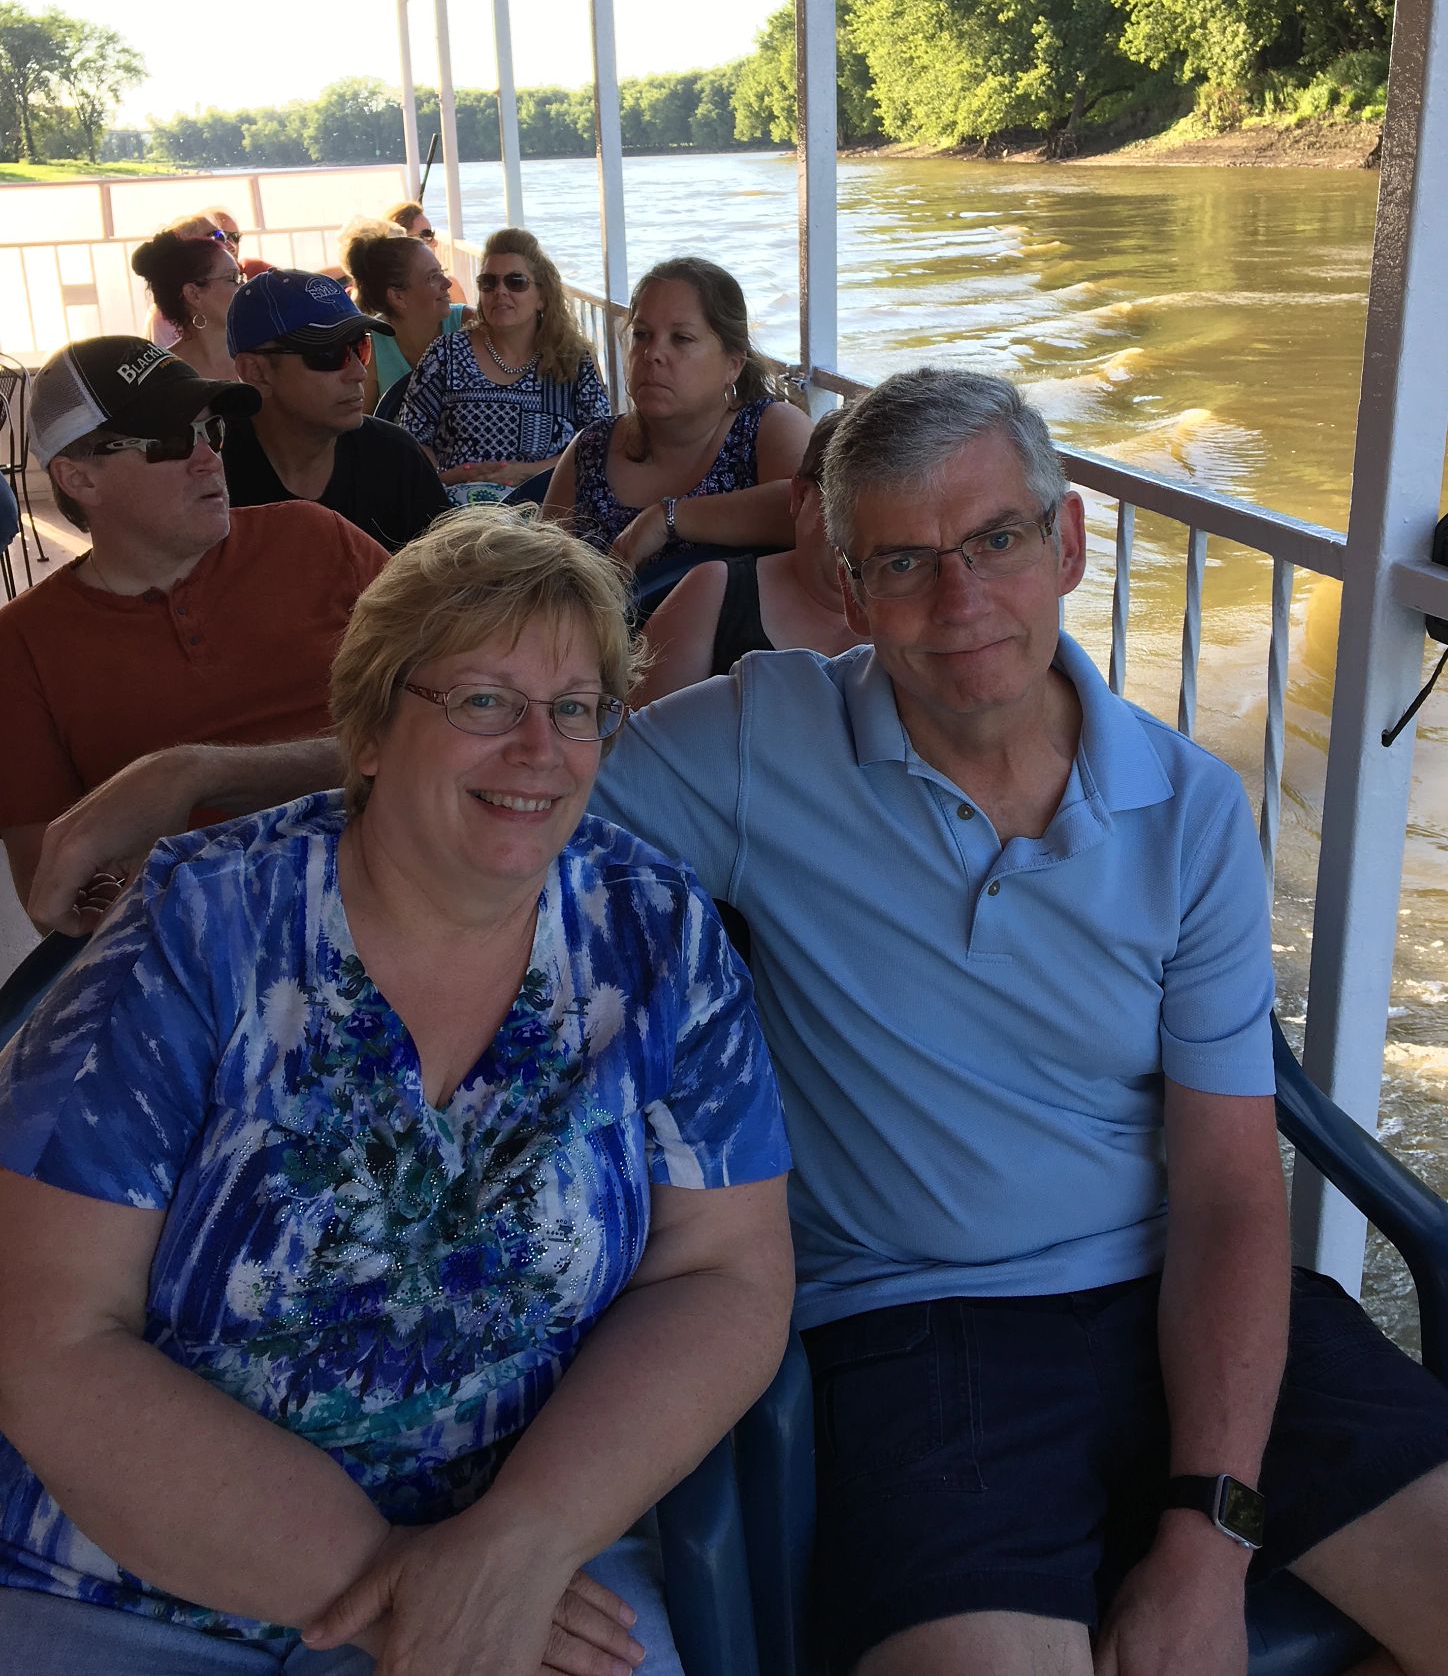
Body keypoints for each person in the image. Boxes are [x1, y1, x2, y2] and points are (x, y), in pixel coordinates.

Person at [55, 369, 1448, 1676]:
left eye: (998, 541)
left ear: (1070, 543)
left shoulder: (1193, 807)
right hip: (923, 1333)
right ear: (845, 587)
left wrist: (1207, 1532)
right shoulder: (753, 745)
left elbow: (1225, 1186)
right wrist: (194, 775)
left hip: (1193, 1306)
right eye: (902, 559)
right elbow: (491, 755)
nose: (959, 597)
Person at [0, 510, 794, 1676]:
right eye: (482, 700)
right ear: (368, 727)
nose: (540, 747)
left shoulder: (652, 933)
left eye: (576, 707)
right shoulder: (199, 926)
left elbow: (725, 1272)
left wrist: (513, 1547)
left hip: (531, 1563)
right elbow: (48, 1333)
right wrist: (405, 1589)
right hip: (128, 1579)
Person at [0, 335, 385, 913]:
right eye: (172, 441)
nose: (208, 457)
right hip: (215, 939)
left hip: (400, 878)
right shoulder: (22, 646)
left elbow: (456, 723)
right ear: (80, 479)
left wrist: (198, 775)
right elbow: (53, 896)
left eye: (212, 432)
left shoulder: (316, 538)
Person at [542, 256, 809, 569]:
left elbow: (818, 514)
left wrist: (669, 518)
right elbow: (541, 574)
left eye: (681, 338)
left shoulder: (767, 428)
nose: (652, 354)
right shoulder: (591, 448)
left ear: (733, 364)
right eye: (641, 334)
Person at [635, 408, 865, 705]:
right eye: (846, 505)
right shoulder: (711, 595)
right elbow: (638, 741)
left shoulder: (928, 610)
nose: (868, 534)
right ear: (800, 496)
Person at [223, 270, 448, 553]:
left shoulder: (394, 456)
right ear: (255, 371)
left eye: (361, 347)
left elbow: (447, 580)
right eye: (328, 354)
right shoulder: (207, 470)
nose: (357, 371)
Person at [400, 229, 611, 505]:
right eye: (489, 282)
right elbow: (409, 440)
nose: (500, 291)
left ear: (542, 297)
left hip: (546, 511)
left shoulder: (572, 360)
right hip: (455, 513)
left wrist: (525, 473)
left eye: (516, 282)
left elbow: (598, 446)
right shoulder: (446, 354)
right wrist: (449, 476)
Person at [344, 225, 468, 417]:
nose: (448, 283)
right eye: (433, 277)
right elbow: (360, 425)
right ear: (398, 297)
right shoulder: (370, 346)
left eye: (442, 271)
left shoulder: (469, 323)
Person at [131, 227, 242, 380]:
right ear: (194, 294)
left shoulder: (263, 357)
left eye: (242, 277)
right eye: (233, 278)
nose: (244, 286)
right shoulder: (164, 375)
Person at [387, 196, 466, 302]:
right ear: (402, 241)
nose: (435, 242)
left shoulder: (450, 287)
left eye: (431, 234)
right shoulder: (449, 287)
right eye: (426, 234)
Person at [207, 204, 272, 279]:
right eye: (220, 236)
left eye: (235, 236)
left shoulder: (256, 271)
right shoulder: (193, 284)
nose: (232, 246)